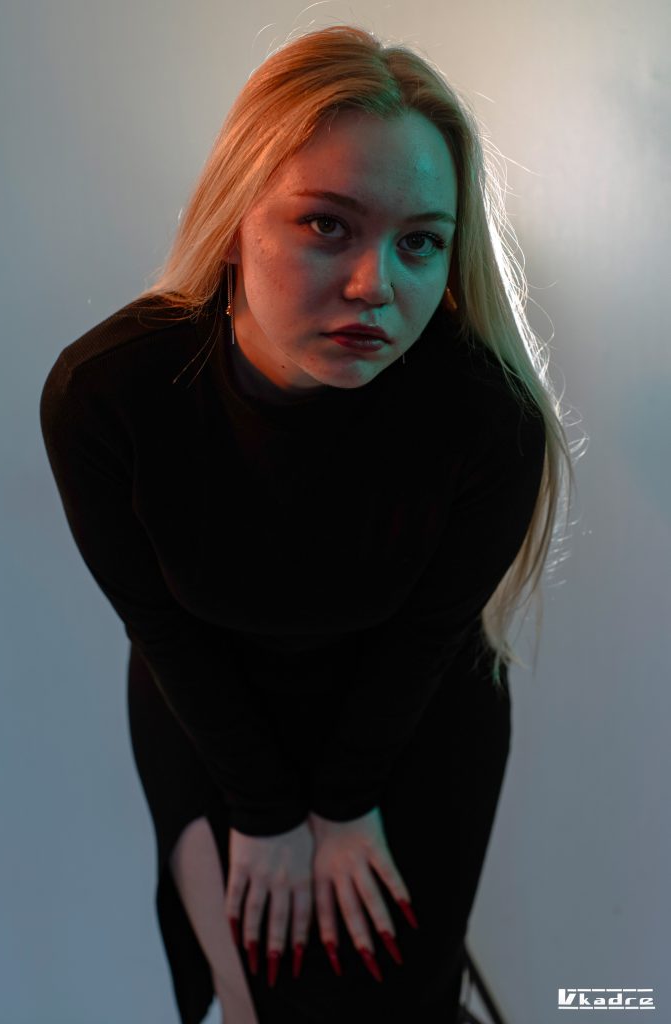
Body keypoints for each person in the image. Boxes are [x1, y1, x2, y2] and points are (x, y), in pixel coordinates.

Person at [39, 23, 574, 1024]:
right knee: (258, 1009)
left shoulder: (487, 418)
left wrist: (342, 803)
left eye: (419, 241)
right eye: (327, 225)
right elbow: (162, 626)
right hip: (209, 707)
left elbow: (426, 638)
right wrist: (266, 810)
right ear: (234, 218)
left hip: (412, 716)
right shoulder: (108, 396)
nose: (376, 285)